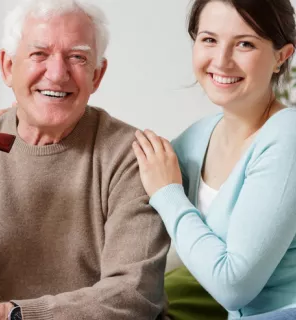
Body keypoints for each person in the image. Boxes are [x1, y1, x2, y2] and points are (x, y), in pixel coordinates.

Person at [0, 0, 170, 319]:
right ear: (8, 67)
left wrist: (4, 315)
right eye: (39, 54)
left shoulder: (132, 156)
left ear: (98, 74)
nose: (56, 74)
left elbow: (133, 295)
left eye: (77, 57)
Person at [131, 0, 296, 319]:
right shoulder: (198, 137)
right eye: (209, 39)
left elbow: (234, 287)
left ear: (281, 56)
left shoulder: (288, 135)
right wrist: (19, 126)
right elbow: (122, 167)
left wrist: (169, 195)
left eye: (245, 44)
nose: (221, 60)